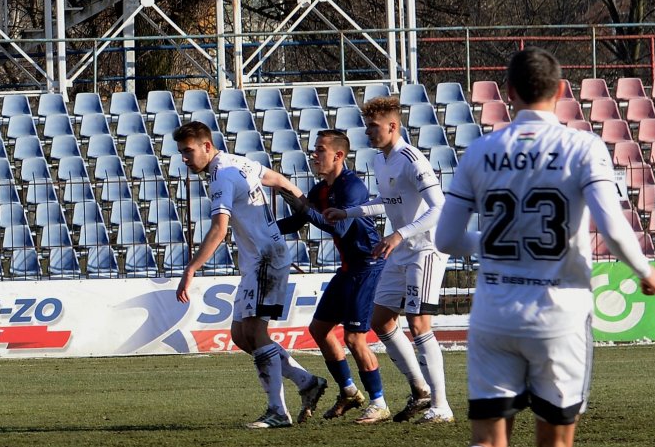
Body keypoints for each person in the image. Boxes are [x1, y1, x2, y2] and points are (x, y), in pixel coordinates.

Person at [423, 48, 655, 447]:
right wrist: (644, 270)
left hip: (493, 313)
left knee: (489, 442)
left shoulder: (482, 150)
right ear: (561, 91)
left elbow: (447, 238)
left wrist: (498, 247)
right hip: (558, 315)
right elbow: (611, 227)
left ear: (507, 92)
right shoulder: (581, 147)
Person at [173, 123, 321, 429]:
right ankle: (307, 382)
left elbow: (219, 229)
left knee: (255, 332)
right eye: (181, 153)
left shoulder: (221, 176)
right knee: (241, 336)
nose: (185, 159)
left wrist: (191, 269)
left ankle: (277, 411)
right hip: (258, 260)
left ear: (207, 146)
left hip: (265, 257)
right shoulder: (237, 162)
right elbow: (277, 179)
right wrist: (304, 205)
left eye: (188, 151)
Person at [322, 96, 452, 423]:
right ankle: (421, 390)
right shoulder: (381, 160)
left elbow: (440, 207)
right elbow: (387, 200)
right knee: (380, 319)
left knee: (418, 323)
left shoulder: (412, 159)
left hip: (426, 248)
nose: (368, 132)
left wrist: (398, 235)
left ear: (393, 126)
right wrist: (349, 212)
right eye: (367, 126)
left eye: (373, 126)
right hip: (402, 247)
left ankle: (441, 406)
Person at [278, 130, 391, 422]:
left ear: (338, 155)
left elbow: (338, 227)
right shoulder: (321, 189)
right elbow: (298, 220)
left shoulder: (352, 187)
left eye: (320, 150)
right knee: (319, 330)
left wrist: (303, 206)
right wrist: (260, 229)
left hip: (367, 265)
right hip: (348, 268)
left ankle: (379, 402)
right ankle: (349, 391)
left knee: (354, 338)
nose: (313, 155)